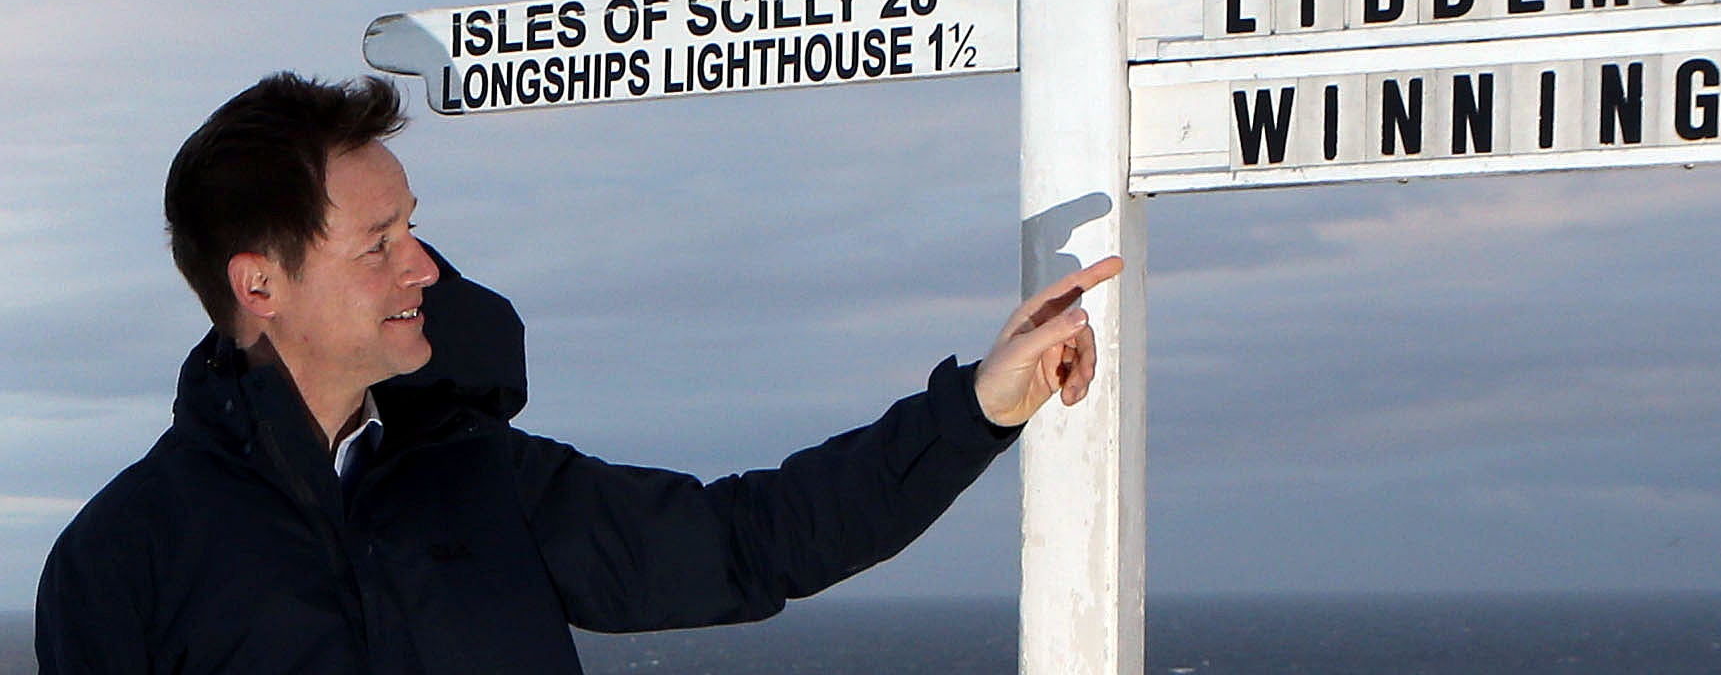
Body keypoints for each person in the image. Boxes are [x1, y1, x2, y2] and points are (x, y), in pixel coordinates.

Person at [34, 72, 1118, 673]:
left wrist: (978, 405)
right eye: (378, 244)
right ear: (259, 286)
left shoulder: (479, 481)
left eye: (415, 225)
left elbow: (750, 542)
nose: (424, 265)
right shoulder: (124, 560)